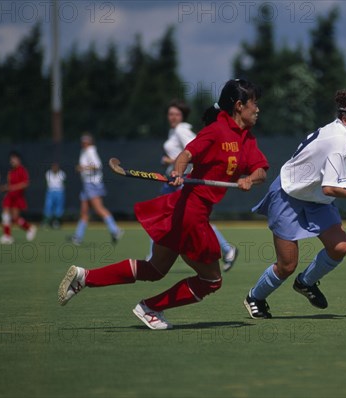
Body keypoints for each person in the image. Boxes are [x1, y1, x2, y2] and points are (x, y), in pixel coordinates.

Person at [58, 79, 269, 330]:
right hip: (191, 213)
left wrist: (249, 179)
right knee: (212, 280)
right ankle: (151, 307)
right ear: (239, 105)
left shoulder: (247, 138)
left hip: (186, 211)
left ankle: (85, 277)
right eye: (254, 103)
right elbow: (186, 155)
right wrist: (179, 171)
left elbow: (261, 170)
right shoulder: (216, 130)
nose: (257, 108)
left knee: (155, 269)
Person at [243, 90, 346, 319]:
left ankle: (306, 282)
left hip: (315, 197)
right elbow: (330, 188)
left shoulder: (343, 132)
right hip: (289, 194)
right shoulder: (339, 139)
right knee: (287, 265)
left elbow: (339, 169)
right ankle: (255, 297)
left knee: (339, 247)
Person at [149, 99, 239, 271]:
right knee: (162, 216)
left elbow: (195, 151)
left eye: (176, 114)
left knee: (193, 219)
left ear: (182, 116)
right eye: (170, 114)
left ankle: (227, 248)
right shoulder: (173, 131)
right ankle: (227, 249)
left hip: (180, 181)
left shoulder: (182, 131)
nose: (173, 117)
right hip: (172, 181)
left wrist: (171, 161)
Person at [70, 133, 123, 246]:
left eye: (86, 140)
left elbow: (97, 165)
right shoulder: (84, 151)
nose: (83, 142)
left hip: (92, 183)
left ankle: (115, 230)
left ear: (90, 141)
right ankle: (78, 236)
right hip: (86, 184)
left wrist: (83, 168)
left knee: (99, 209)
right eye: (83, 140)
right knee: (84, 212)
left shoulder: (91, 151)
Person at [0, 151, 37, 244]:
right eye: (11, 160)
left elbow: (25, 184)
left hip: (18, 197)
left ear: (19, 160)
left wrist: (11, 188)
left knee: (15, 218)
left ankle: (29, 228)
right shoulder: (10, 172)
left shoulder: (22, 170)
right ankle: (7, 236)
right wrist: (4, 188)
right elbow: (9, 185)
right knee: (5, 213)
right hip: (10, 196)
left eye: (14, 159)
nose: (12, 161)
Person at [42, 162, 66, 229]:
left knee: (58, 208)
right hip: (50, 192)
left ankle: (56, 222)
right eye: (53, 167)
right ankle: (46, 222)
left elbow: (63, 183)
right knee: (48, 206)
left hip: (59, 192)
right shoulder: (48, 173)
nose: (55, 168)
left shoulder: (62, 174)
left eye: (56, 167)